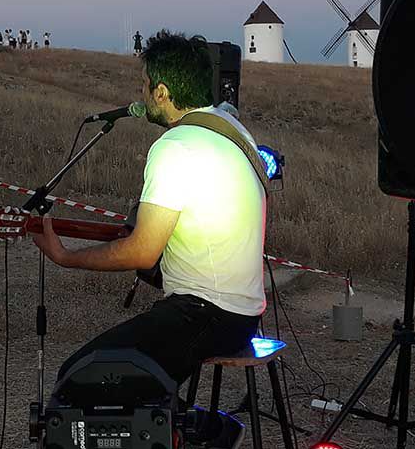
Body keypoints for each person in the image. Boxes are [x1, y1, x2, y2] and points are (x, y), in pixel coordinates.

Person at [33, 30, 265, 398]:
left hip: (208, 313)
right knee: (131, 381)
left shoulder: (175, 146)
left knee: (79, 377)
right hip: (245, 313)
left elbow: (142, 253)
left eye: (144, 85)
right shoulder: (233, 130)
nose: (140, 94)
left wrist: (64, 256)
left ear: (161, 93)